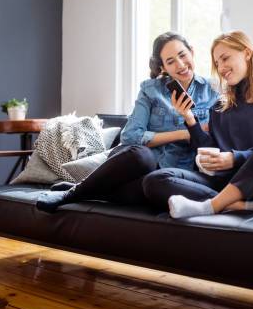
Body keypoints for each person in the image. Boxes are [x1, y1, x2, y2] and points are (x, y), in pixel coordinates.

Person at [36, 32, 219, 213]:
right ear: (163, 67)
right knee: (142, 156)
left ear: (192, 52)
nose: (180, 65)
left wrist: (190, 122)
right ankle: (72, 194)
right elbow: (130, 136)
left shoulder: (213, 92)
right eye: (170, 61)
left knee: (152, 186)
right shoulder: (150, 89)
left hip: (171, 172)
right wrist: (184, 133)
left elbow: (207, 143)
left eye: (182, 55)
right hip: (135, 164)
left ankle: (86, 189)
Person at [142, 31, 253, 218]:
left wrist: (234, 158)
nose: (221, 67)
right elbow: (209, 149)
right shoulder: (220, 105)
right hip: (222, 181)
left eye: (225, 58)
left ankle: (213, 205)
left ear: (247, 53)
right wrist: (189, 118)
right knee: (155, 180)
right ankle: (242, 205)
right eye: (217, 63)